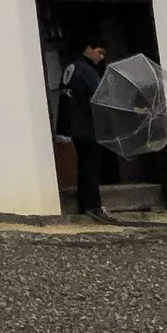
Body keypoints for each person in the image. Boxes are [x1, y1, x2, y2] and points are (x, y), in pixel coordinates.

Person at [61, 41, 114, 223]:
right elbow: (99, 96)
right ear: (89, 48)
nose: (101, 57)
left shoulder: (72, 67)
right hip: (88, 124)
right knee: (91, 166)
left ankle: (85, 202)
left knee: (84, 165)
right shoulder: (86, 70)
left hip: (74, 125)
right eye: (99, 51)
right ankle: (94, 205)